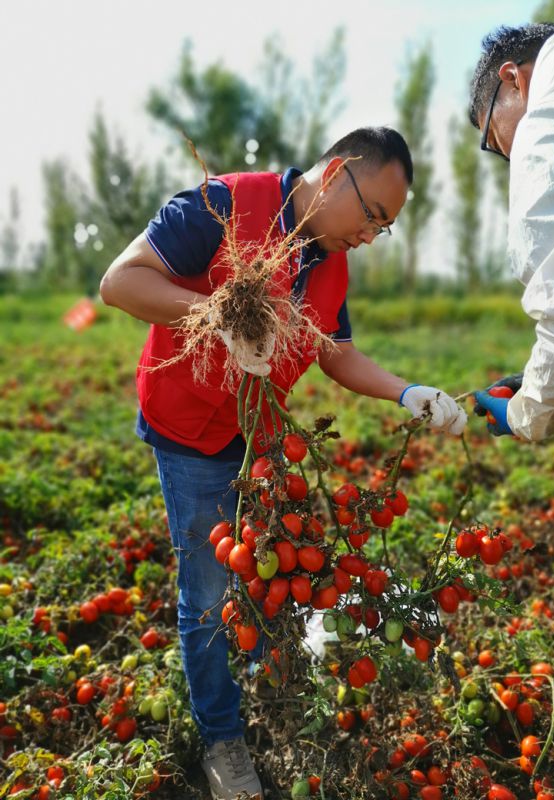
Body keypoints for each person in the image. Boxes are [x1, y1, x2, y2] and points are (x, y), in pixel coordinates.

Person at [100, 126, 467, 800]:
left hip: (264, 438)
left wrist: (408, 392)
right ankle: (223, 739)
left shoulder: (331, 259)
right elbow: (119, 282)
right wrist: (222, 316)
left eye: (384, 228)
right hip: (188, 431)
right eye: (374, 217)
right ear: (337, 174)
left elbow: (336, 352)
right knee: (209, 593)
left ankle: (277, 703)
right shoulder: (221, 205)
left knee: (273, 575)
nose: (370, 235)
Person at [469, 8, 554, 548]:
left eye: (493, 141)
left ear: (512, 79)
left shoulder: (553, 123)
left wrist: (526, 412)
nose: (504, 154)